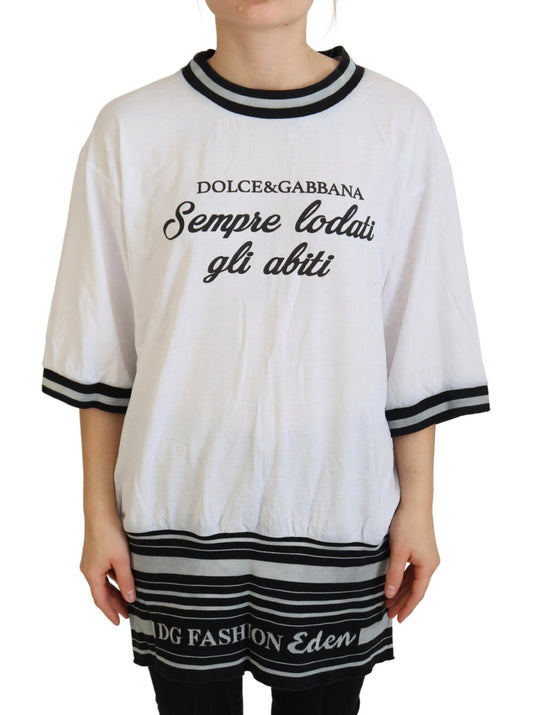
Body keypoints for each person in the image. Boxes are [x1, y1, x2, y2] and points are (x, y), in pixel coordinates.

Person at [40, 1, 491, 713]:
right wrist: (97, 514)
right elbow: (103, 348)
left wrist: (419, 506)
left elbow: (416, 333)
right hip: (178, 512)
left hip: (336, 512)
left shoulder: (395, 123)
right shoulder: (130, 129)